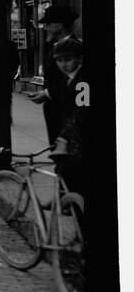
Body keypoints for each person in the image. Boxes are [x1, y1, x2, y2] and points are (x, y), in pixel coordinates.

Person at [42, 36, 88, 201]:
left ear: (80, 58)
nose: (63, 64)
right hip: (71, 133)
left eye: (68, 59)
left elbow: (81, 111)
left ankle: (73, 203)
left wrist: (65, 135)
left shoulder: (83, 81)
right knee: (67, 170)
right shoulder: (68, 77)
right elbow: (60, 90)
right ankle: (67, 199)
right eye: (59, 60)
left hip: (79, 135)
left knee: (75, 172)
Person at [37, 4, 79, 143]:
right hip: (53, 105)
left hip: (67, 106)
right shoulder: (53, 46)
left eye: (48, 24)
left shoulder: (75, 47)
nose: (46, 27)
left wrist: (48, 93)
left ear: (59, 25)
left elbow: (72, 80)